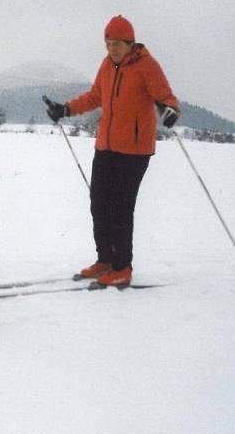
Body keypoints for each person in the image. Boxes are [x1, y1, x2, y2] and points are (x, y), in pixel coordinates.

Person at [45, 15, 180, 287]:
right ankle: (105, 260)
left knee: (120, 208)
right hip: (105, 146)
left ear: (130, 43)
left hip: (134, 150)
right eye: (107, 43)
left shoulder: (147, 66)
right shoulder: (107, 65)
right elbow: (95, 96)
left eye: (116, 43)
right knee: (99, 204)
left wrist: (171, 110)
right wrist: (66, 109)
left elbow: (165, 96)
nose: (111, 49)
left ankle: (122, 267)